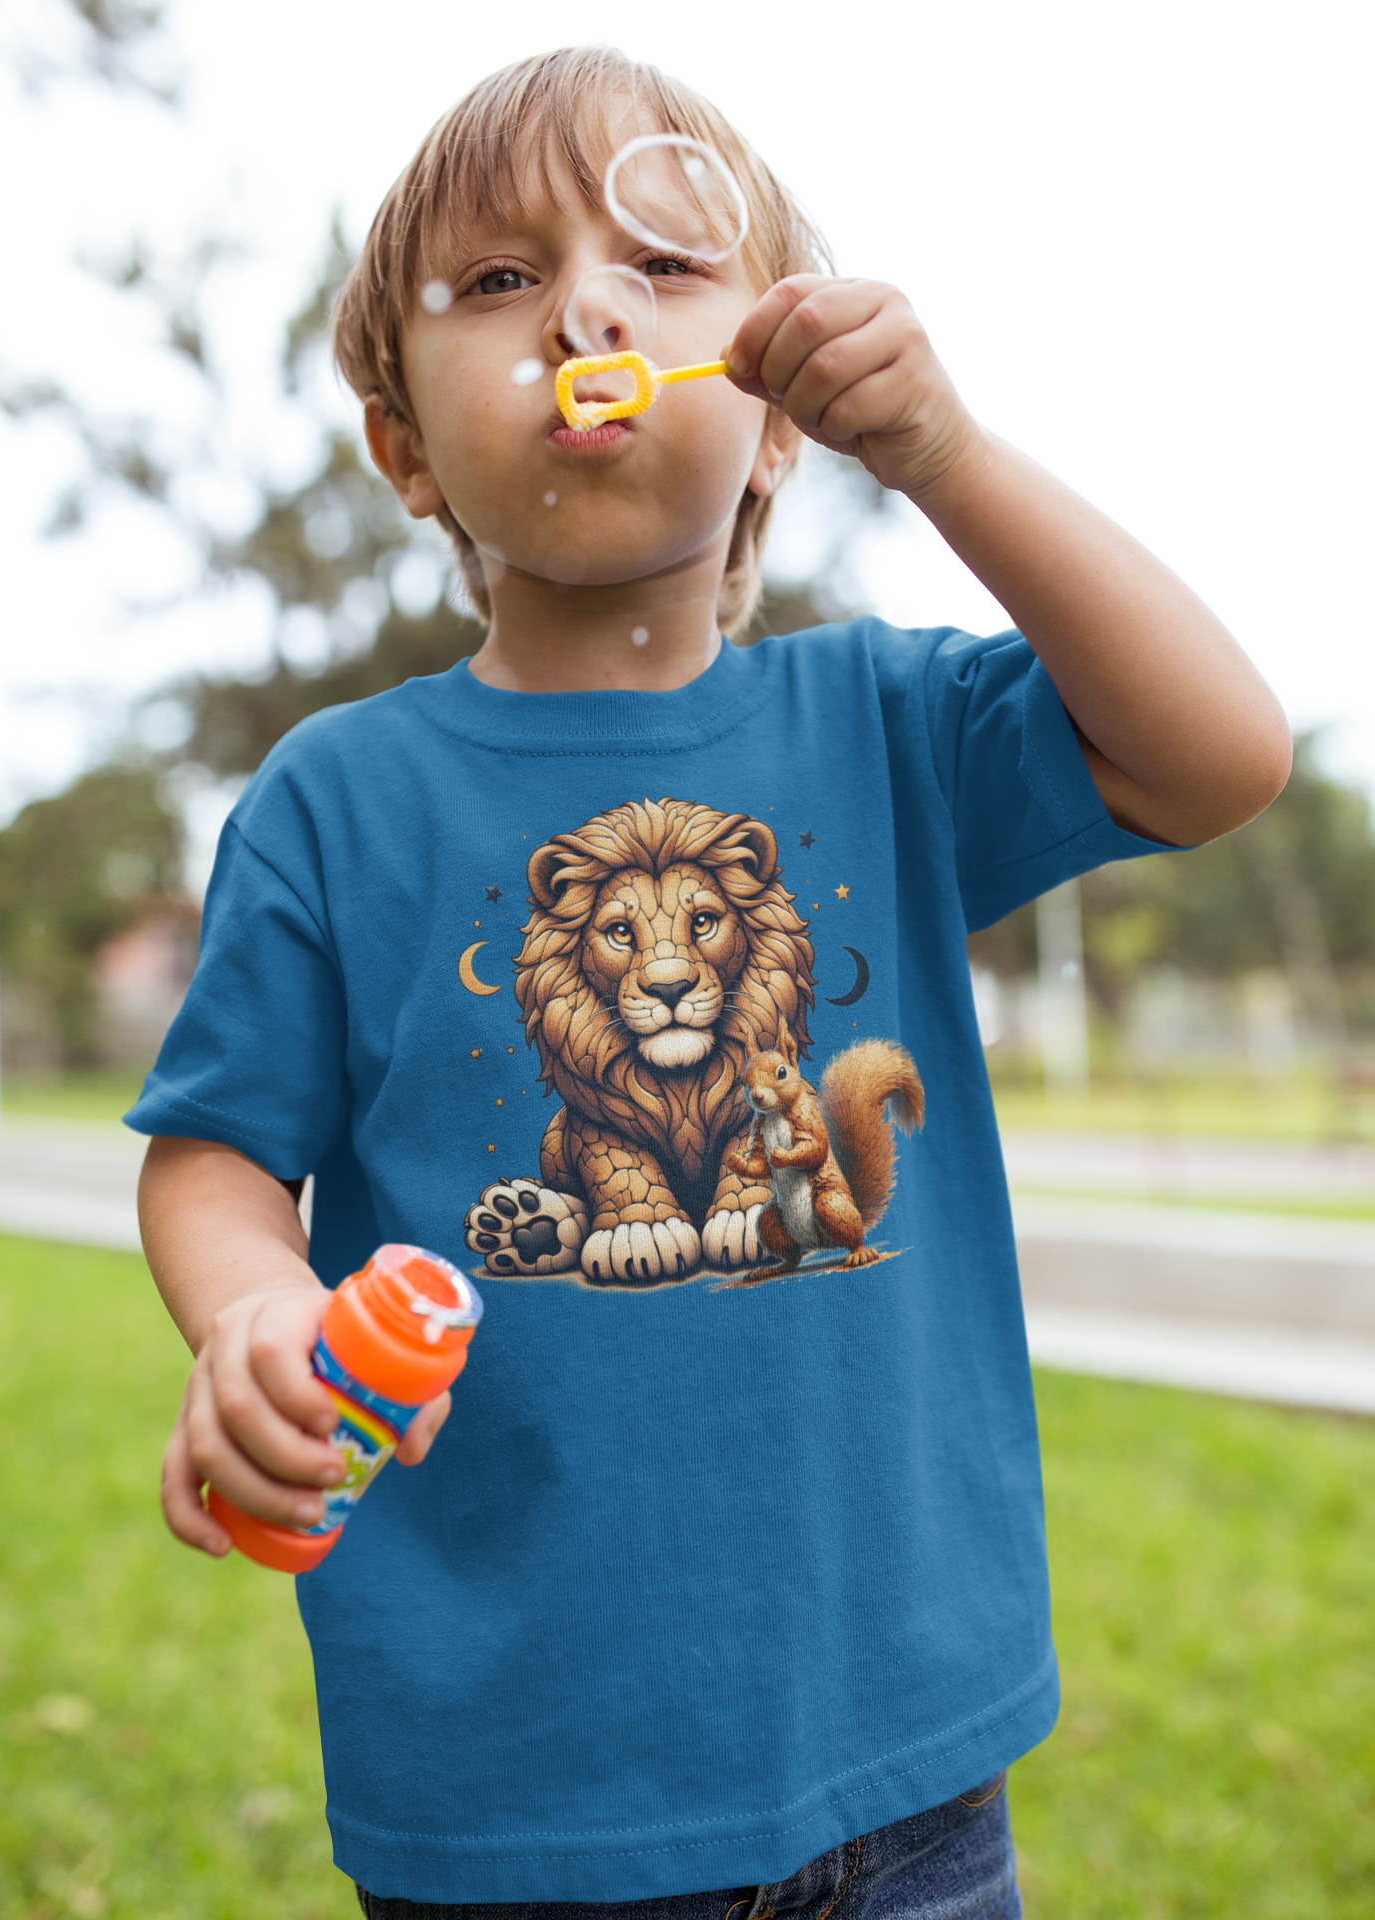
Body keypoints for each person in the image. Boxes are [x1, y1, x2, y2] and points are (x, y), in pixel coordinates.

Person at [130, 46, 1291, 1920]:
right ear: (405, 445)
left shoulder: (891, 723)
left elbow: (1219, 755)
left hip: (908, 1774)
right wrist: (254, 1313)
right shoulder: (335, 801)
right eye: (500, 282)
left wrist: (952, 458)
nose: (586, 304)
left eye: (663, 266)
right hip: (510, 1800)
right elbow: (212, 1154)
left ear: (770, 411)